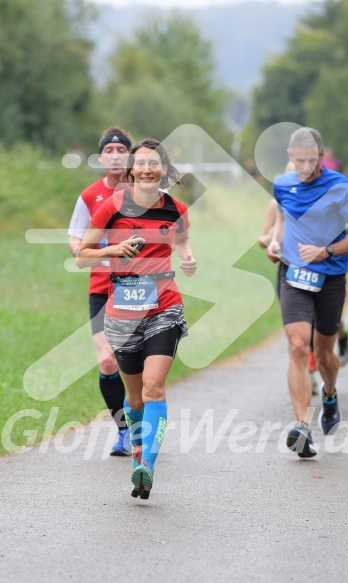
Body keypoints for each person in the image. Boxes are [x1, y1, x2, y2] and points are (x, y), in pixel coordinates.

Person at [76, 138, 196, 499]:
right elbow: (82, 256)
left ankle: (147, 464)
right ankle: (138, 451)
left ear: (163, 169)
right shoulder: (112, 207)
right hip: (122, 313)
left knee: (153, 387)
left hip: (164, 306)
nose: (147, 169)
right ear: (131, 170)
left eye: (154, 163)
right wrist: (112, 249)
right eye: (141, 163)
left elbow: (184, 240)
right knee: (136, 398)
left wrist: (188, 258)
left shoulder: (176, 208)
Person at [267, 127, 348, 458]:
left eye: (311, 160)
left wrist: (326, 251)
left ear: (322, 157)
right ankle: (302, 427)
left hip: (330, 279)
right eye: (299, 161)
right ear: (290, 158)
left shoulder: (341, 189)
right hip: (293, 275)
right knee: (298, 348)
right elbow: (281, 218)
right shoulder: (282, 185)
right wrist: (275, 241)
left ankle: (330, 393)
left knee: (323, 355)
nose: (306, 167)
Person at [68, 127, 133, 456]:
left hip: (139, 286)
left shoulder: (144, 192)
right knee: (108, 361)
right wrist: (91, 251)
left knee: (136, 361)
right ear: (101, 156)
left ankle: (146, 422)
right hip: (101, 287)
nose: (115, 154)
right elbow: (76, 241)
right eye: (109, 150)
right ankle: (124, 431)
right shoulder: (90, 195)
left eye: (122, 149)